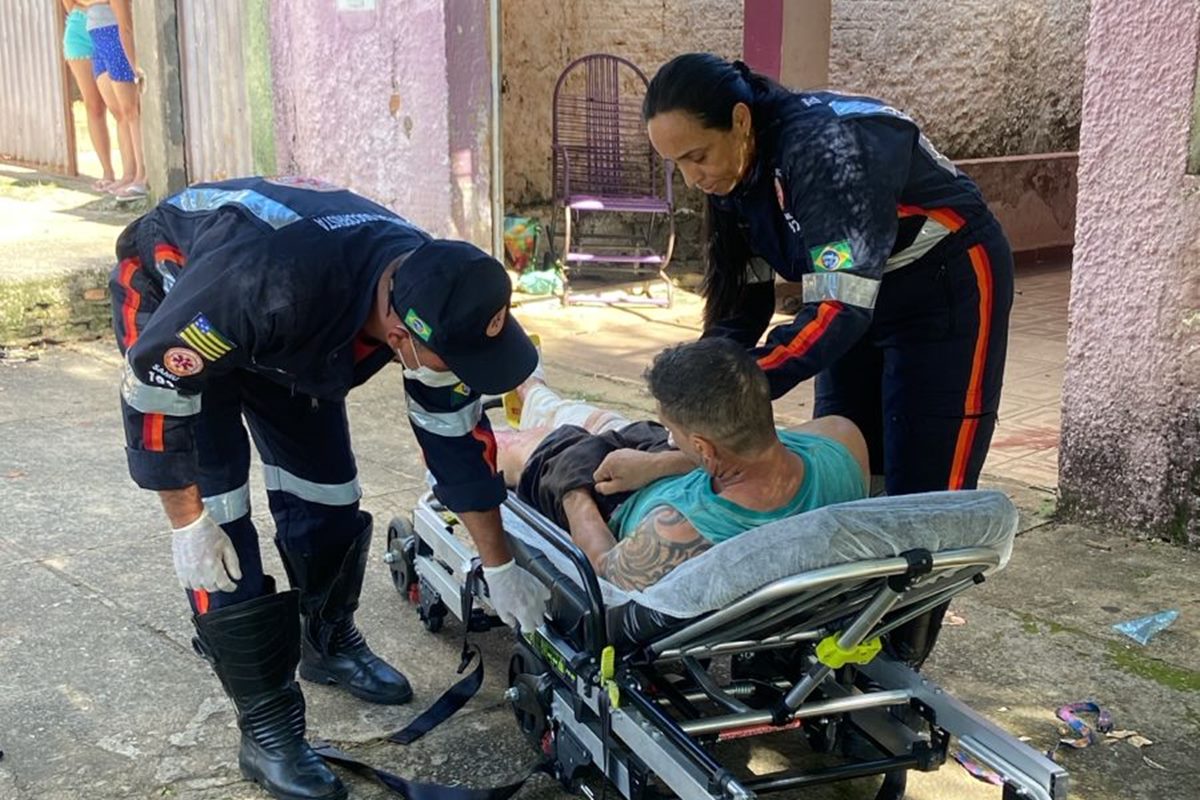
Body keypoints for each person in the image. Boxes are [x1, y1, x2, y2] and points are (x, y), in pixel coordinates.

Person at [109, 176, 549, 800]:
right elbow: (156, 389)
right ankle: (266, 727)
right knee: (220, 522)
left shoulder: (433, 286)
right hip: (181, 307)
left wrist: (498, 565)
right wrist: (187, 524)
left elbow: (456, 440)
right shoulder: (261, 286)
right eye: (456, 361)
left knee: (330, 496)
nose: (464, 373)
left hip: (292, 330)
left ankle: (327, 639)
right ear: (400, 338)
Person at [642, 54, 1014, 498]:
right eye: (677, 164)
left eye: (697, 157)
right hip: (856, 290)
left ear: (740, 120)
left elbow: (839, 307)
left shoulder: (825, 152)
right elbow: (743, 298)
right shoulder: (732, 172)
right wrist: (700, 382)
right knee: (845, 455)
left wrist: (741, 383)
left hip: (943, 280)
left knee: (925, 480)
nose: (690, 179)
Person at [495, 338, 870, 590]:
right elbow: (752, 456)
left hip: (606, 499)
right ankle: (532, 390)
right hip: (658, 465)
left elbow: (605, 567)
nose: (671, 436)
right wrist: (657, 463)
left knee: (527, 447)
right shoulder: (841, 439)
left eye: (674, 431)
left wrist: (572, 492)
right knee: (603, 423)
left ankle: (525, 397)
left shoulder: (677, 531)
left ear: (704, 448)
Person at [84, 0, 145, 200]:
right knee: (120, 113)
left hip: (115, 42)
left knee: (131, 111)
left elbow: (125, 26)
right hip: (98, 42)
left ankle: (141, 176)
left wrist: (134, 65)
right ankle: (128, 173)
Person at [61, 0, 119, 191]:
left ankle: (133, 171)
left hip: (109, 26)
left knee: (120, 106)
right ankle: (107, 172)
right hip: (80, 32)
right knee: (94, 106)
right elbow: (69, 5)